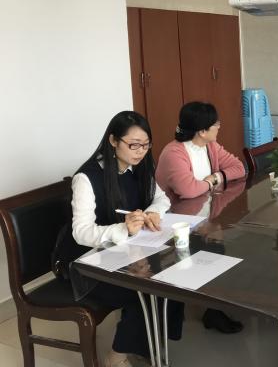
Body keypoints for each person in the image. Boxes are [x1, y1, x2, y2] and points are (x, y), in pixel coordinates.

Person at [53, 111, 183, 367]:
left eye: (146, 145)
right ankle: (116, 357)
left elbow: (161, 198)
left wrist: (151, 212)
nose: (141, 151)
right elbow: (81, 231)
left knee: (172, 278)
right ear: (113, 141)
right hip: (85, 261)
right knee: (143, 290)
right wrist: (123, 229)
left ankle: (144, 343)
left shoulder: (140, 167)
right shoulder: (87, 178)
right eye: (134, 145)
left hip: (123, 253)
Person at [156, 101, 246, 334]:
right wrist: (211, 181)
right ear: (202, 131)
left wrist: (213, 178)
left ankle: (214, 309)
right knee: (217, 252)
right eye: (216, 124)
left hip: (202, 220)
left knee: (228, 251)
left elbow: (239, 168)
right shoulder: (174, 152)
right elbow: (188, 190)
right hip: (175, 226)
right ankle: (204, 310)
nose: (219, 126)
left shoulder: (210, 146)